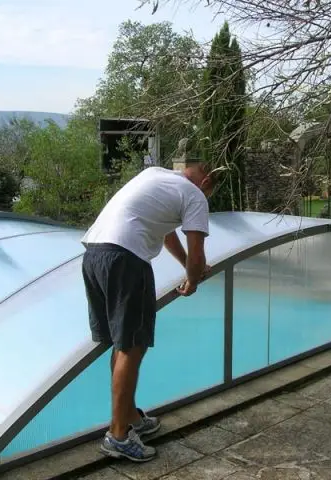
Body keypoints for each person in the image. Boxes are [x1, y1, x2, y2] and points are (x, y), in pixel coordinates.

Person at [80, 162, 219, 462]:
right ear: (205, 181)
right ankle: (118, 436)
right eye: (210, 191)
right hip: (126, 259)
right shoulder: (194, 196)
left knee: (122, 342)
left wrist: (187, 268)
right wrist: (193, 279)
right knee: (132, 345)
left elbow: (168, 235)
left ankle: (129, 417)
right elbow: (197, 253)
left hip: (93, 254)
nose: (206, 198)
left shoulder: (156, 175)